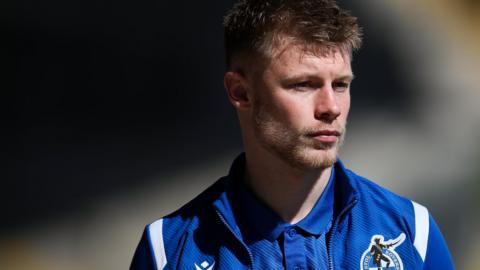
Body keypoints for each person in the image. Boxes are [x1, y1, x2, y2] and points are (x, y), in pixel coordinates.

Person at [130, 0, 454, 269]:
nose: (331, 107)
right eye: (304, 84)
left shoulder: (412, 232)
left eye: (341, 84)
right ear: (241, 92)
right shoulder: (167, 251)